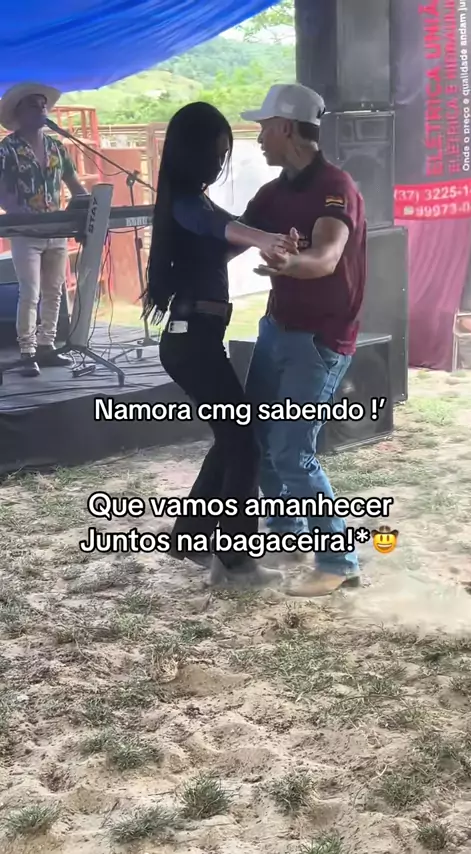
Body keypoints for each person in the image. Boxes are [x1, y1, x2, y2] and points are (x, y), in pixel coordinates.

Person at [144, 101, 298, 589]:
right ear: (193, 152)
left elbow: (225, 238)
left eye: (223, 153)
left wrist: (269, 238)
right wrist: (260, 236)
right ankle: (235, 561)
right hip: (191, 342)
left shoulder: (198, 202)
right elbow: (222, 229)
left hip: (198, 338)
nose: (219, 162)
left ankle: (190, 537)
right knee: (244, 443)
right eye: (215, 152)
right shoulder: (186, 202)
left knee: (233, 440)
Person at [238, 83, 367, 597]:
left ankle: (339, 562)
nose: (258, 139)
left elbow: (327, 257)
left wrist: (291, 263)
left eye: (264, 128)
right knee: (259, 440)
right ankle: (289, 531)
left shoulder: (336, 186)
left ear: (286, 128)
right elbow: (234, 232)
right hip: (276, 330)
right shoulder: (272, 194)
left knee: (292, 452)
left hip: (319, 340)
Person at [0, 83, 88, 378]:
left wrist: (89, 205)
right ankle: (27, 352)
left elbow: (74, 185)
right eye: (34, 105)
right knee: (30, 292)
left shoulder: (56, 147)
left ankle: (47, 346)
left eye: (43, 105)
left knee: (54, 291)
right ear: (19, 113)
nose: (41, 109)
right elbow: (1, 191)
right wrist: (17, 209)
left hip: (56, 229)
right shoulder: (7, 149)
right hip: (25, 232)